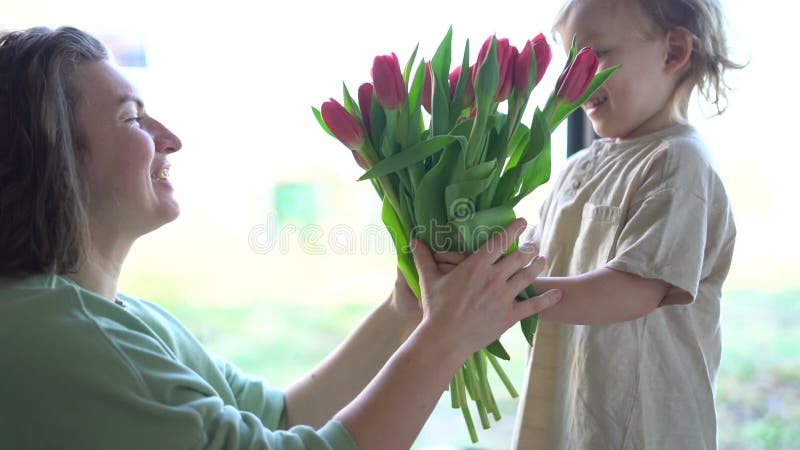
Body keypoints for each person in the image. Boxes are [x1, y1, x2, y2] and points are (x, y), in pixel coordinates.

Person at [0, 26, 563, 450]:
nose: (169, 139)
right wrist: (448, 337)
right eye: (130, 119)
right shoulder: (68, 337)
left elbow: (282, 416)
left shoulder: (123, 319)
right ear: (53, 154)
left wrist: (405, 310)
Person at [503, 0, 741, 448]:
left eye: (595, 54)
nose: (571, 77)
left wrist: (505, 295)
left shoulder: (678, 164)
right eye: (568, 57)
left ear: (673, 52)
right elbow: (533, 258)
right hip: (569, 410)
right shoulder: (576, 168)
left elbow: (632, 289)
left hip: (643, 427)